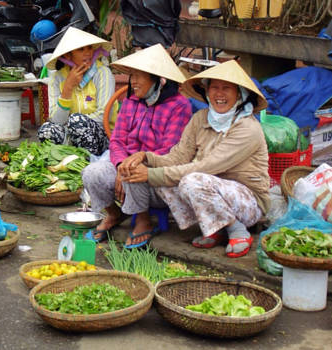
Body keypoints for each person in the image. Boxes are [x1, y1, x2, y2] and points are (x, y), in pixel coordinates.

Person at [118, 60, 270, 257]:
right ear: (206, 92)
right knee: (154, 173)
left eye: (226, 89)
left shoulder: (247, 128)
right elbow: (179, 157)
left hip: (249, 201)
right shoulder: (201, 118)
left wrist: (152, 173)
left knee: (189, 179)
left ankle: (237, 229)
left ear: (240, 94)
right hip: (208, 187)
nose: (219, 94)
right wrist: (145, 157)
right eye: (214, 88)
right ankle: (215, 228)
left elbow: (208, 166)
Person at [82, 44, 192, 247]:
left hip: (157, 175)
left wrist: (133, 163)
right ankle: (114, 214)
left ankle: (143, 220)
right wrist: (119, 165)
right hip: (125, 168)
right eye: (132, 76)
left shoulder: (179, 106)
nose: (133, 82)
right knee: (92, 172)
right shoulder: (131, 102)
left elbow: (170, 150)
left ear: (159, 80)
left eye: (139, 76)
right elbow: (117, 140)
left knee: (135, 171)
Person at [37, 27, 118, 156]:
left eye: (90, 48)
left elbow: (104, 116)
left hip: (102, 137)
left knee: (76, 121)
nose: (88, 53)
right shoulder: (56, 79)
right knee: (46, 131)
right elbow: (56, 120)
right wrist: (68, 88)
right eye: (81, 49)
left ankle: (86, 162)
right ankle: (67, 161)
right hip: (71, 135)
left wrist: (74, 125)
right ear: (68, 55)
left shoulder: (102, 73)